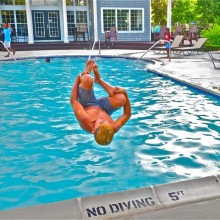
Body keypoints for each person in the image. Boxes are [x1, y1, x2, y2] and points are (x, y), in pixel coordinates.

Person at [70, 59, 131, 145]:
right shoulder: (113, 127)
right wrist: (126, 93)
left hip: (87, 103)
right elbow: (127, 114)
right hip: (104, 107)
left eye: (101, 122)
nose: (104, 119)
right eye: (108, 122)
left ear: (94, 129)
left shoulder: (86, 121)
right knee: (122, 98)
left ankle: (86, 72)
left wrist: (77, 78)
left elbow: (74, 101)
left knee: (87, 79)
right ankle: (98, 80)